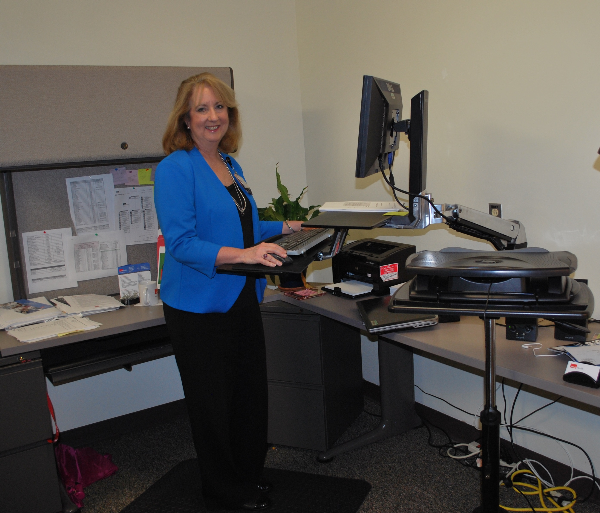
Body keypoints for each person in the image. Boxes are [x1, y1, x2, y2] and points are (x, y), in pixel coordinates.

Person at [154, 73, 303, 511]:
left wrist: (289, 228)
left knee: (248, 396)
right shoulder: (175, 169)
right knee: (212, 405)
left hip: (240, 297)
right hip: (198, 307)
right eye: (202, 108)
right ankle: (222, 488)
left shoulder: (230, 165)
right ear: (185, 117)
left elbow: (245, 227)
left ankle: (246, 476)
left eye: (220, 107)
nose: (213, 116)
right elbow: (182, 244)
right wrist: (247, 256)